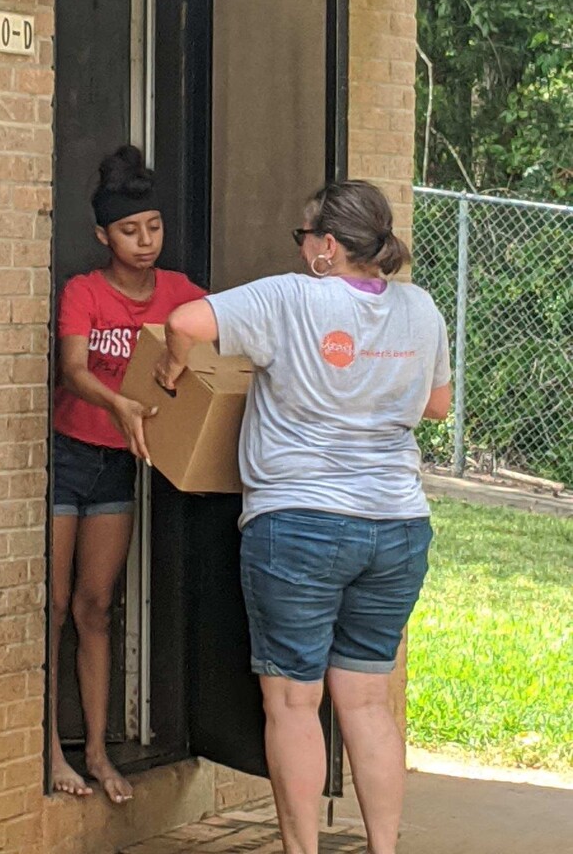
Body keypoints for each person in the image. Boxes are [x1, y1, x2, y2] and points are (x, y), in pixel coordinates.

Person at [154, 180, 451, 854]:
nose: (300, 247)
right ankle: (383, 849)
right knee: (369, 704)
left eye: (302, 235)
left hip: (300, 525)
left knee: (293, 704)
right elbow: (438, 406)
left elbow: (184, 324)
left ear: (326, 247)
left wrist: (173, 370)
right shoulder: (421, 309)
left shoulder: (290, 298)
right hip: (398, 526)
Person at [51, 145, 206, 802]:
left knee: (95, 608)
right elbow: (75, 371)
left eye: (153, 228)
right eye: (129, 231)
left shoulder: (179, 294)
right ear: (102, 235)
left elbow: (227, 332)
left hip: (121, 466)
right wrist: (116, 402)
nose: (144, 242)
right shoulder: (84, 292)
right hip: (68, 459)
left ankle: (98, 752)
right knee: (53, 607)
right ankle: (49, 748)